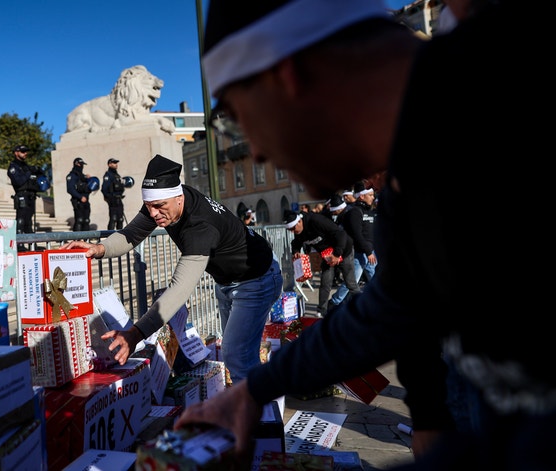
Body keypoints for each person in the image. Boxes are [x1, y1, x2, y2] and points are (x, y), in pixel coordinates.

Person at [177, 2, 550, 469]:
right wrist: (256, 389)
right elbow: (389, 312)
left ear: (285, 76)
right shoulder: (406, 177)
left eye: (234, 116)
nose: (254, 149)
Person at [62, 154, 282, 383]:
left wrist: (136, 334)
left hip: (257, 278)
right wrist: (98, 249)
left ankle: (261, 416)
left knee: (237, 357)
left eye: (159, 207)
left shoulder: (199, 226)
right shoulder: (167, 199)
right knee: (236, 355)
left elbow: (179, 290)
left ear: (179, 198)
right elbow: (131, 234)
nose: (154, 214)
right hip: (229, 280)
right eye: (149, 207)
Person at [284, 201, 360, 318]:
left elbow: (340, 234)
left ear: (299, 221)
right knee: (325, 282)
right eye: (291, 230)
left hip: (343, 250)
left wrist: (336, 254)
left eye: (294, 228)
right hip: (327, 255)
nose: (294, 232)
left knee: (350, 283)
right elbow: (295, 242)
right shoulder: (299, 231)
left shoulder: (316, 221)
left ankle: (361, 307)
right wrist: (296, 252)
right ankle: (321, 311)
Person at [331, 180, 377, 308]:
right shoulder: (355, 212)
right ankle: (334, 302)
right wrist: (368, 251)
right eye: (371, 195)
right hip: (358, 253)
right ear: (362, 196)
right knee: (352, 281)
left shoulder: (370, 211)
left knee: (375, 280)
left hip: (370, 253)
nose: (373, 197)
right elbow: (357, 234)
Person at [7, 144, 45, 236]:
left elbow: (40, 174)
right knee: (21, 220)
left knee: (28, 222)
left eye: (26, 152)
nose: (25, 153)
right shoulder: (13, 167)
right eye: (23, 152)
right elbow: (18, 181)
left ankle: (31, 245)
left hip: (31, 196)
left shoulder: (27, 166)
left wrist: (38, 170)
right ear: (16, 153)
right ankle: (19, 245)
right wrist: (29, 172)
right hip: (21, 195)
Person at [65, 157, 93, 231]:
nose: (82, 166)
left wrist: (90, 180)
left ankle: (86, 240)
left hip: (86, 201)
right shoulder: (72, 176)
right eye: (81, 164)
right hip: (78, 201)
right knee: (79, 220)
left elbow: (89, 188)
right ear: (76, 164)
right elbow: (70, 189)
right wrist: (80, 197)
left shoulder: (83, 177)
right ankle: (77, 240)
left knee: (86, 221)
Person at [101, 158, 126, 230]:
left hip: (119, 200)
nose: (116, 164)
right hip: (113, 200)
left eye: (116, 163)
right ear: (109, 164)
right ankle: (109, 237)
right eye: (114, 163)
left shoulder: (117, 175)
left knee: (120, 219)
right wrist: (109, 198)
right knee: (113, 219)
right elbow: (104, 189)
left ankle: (119, 237)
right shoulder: (108, 175)